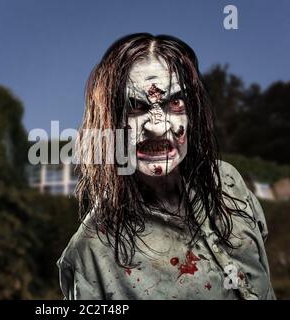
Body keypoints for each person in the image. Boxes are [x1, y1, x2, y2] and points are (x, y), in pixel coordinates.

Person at [57, 33, 276, 300]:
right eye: (135, 107)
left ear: (191, 112)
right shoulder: (90, 253)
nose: (158, 127)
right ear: (108, 122)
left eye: (175, 102)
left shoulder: (228, 181)